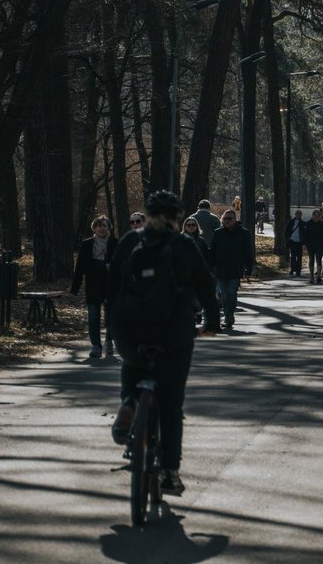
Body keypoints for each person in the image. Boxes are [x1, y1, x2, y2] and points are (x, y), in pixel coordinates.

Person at [109, 190, 219, 497]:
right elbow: (207, 287)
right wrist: (212, 324)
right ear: (177, 218)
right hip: (173, 331)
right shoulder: (184, 245)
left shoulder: (130, 242)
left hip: (130, 328)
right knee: (171, 405)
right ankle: (170, 473)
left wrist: (114, 324)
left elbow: (112, 286)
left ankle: (130, 402)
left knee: (132, 366)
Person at [71, 215, 118, 358]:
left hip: (111, 285)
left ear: (109, 228)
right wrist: (75, 288)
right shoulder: (87, 244)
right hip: (93, 285)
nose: (102, 228)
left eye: (104, 225)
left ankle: (109, 341)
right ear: (94, 228)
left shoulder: (116, 243)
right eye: (99, 225)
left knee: (111, 317)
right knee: (93, 316)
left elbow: (121, 264)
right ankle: (96, 345)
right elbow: (81, 267)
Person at [210, 209, 254, 329]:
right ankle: (228, 316)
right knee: (224, 295)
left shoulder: (243, 233)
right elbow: (212, 252)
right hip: (221, 270)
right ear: (222, 220)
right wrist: (209, 268)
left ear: (235, 220)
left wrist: (248, 270)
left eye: (230, 218)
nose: (227, 221)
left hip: (235, 269)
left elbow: (248, 253)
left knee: (232, 293)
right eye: (225, 218)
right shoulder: (218, 233)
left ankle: (230, 314)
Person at [304, 209, 323, 284]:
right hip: (310, 245)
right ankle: (311, 277)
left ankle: (318, 276)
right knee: (311, 260)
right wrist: (304, 244)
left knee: (319, 260)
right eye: (315, 215)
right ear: (313, 216)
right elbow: (305, 235)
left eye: (318, 216)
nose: (317, 217)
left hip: (320, 245)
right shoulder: (308, 223)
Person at [286, 209, 306, 276]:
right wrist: (287, 238)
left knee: (299, 257)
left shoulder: (303, 223)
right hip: (292, 241)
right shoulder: (291, 222)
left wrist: (304, 243)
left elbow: (304, 233)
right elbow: (287, 231)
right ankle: (292, 269)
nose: (298, 215)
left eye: (299, 214)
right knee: (293, 256)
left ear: (301, 215)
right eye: (297, 214)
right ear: (295, 214)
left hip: (299, 242)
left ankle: (298, 270)